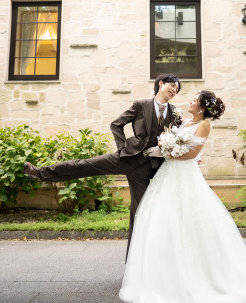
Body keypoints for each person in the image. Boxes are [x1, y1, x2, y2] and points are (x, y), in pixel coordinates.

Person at [119, 91, 246, 303]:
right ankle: (160, 275)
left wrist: (165, 152)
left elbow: (192, 153)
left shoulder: (204, 125)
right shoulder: (186, 121)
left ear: (202, 107)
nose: (190, 101)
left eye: (194, 100)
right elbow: (178, 141)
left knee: (189, 219)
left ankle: (200, 277)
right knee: (162, 220)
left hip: (184, 173)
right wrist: (166, 145)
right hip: (169, 174)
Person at [23, 74, 181, 255]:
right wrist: (122, 148)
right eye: (172, 85)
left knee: (141, 213)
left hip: (147, 169)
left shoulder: (175, 113)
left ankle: (135, 261)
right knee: (84, 165)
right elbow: (116, 124)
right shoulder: (140, 105)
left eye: (177, 89)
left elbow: (177, 140)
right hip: (127, 157)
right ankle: (39, 173)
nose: (174, 90)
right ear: (161, 83)